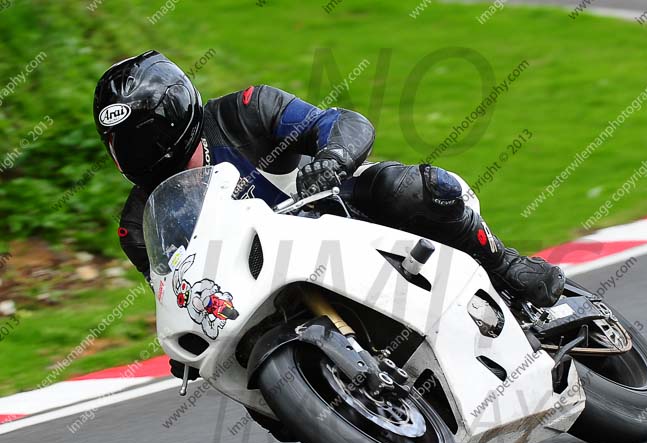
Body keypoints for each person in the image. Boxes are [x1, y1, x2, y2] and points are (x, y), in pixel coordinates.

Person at [93, 50, 565, 308]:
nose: (136, 153)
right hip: (264, 290)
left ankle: (502, 262)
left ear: (177, 113)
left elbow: (340, 122)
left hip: (338, 214)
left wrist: (332, 157)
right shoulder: (138, 227)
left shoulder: (246, 111)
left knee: (413, 190)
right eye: (121, 144)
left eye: (144, 136)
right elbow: (173, 294)